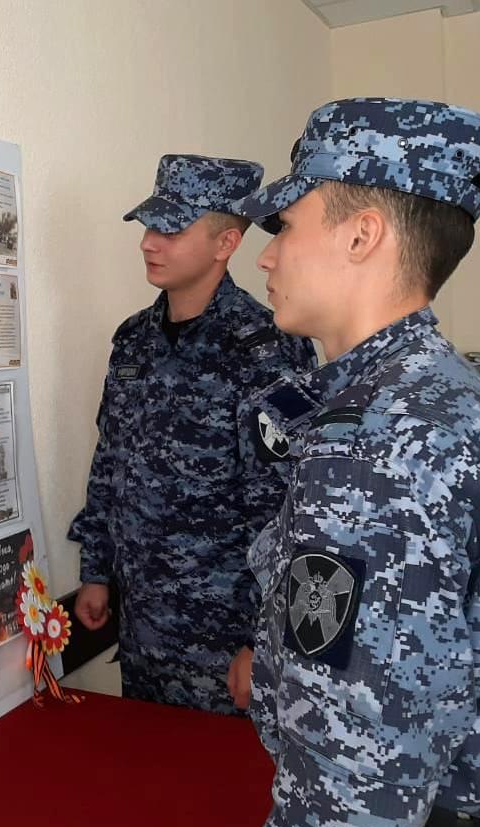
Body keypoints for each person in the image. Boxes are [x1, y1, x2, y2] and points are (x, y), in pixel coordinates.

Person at [233, 97, 480, 827]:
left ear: (362, 234)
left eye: (286, 225)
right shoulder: (448, 394)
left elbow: (357, 776)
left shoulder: (376, 441)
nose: (266, 256)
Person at [68, 154, 316, 714]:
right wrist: (96, 572)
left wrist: (263, 637)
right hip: (143, 624)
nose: (148, 243)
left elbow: (287, 503)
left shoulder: (268, 348)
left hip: (224, 636)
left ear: (226, 242)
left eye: (171, 230)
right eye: (148, 227)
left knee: (221, 768)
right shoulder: (133, 341)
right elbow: (110, 461)